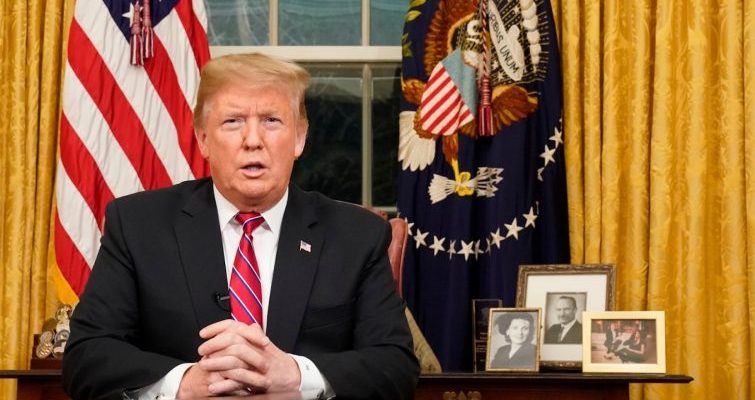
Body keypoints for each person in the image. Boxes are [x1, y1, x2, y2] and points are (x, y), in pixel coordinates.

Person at [62, 53, 419, 400]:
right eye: (233, 121)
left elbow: (395, 365)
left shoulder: (357, 236)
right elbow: (87, 356)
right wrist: (185, 384)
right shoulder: (138, 226)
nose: (252, 140)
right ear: (203, 138)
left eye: (271, 121)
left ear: (299, 138)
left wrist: (297, 377)